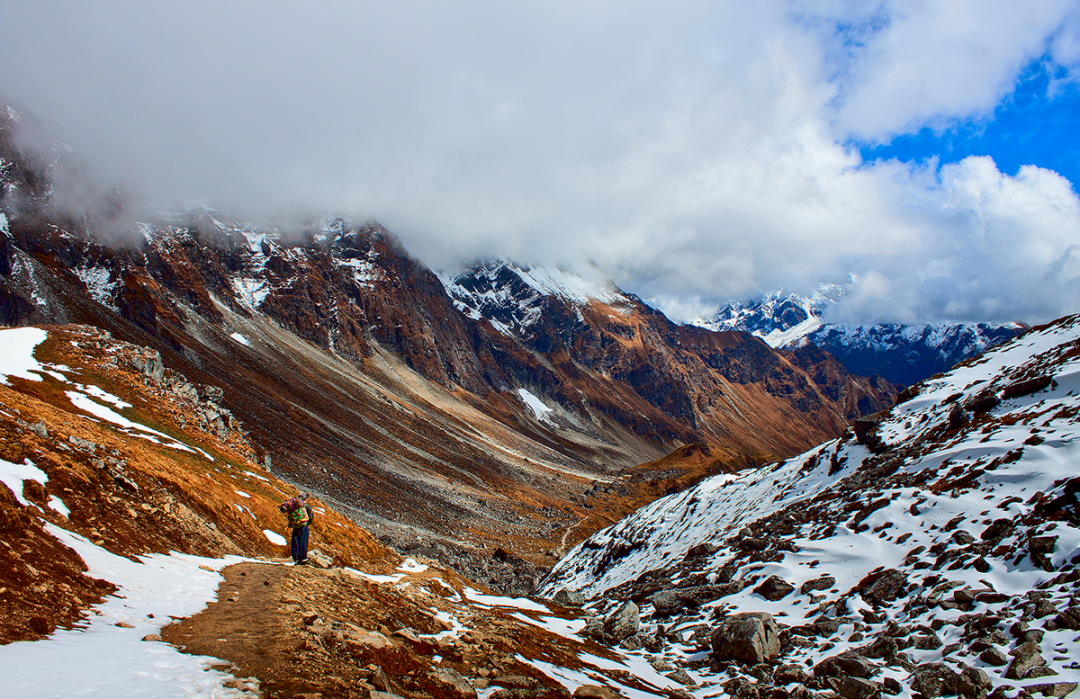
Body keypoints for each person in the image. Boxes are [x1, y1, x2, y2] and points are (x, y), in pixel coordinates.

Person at [279, 493, 315, 564]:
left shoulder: (293, 505)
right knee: (303, 541)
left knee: (295, 540)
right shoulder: (306, 506)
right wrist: (308, 523)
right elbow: (311, 515)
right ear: (304, 499)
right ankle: (303, 558)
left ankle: (295, 557)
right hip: (304, 524)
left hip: (295, 524)